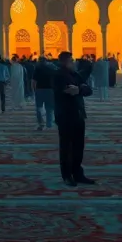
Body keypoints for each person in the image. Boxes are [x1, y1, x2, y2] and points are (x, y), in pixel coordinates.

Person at [53, 51, 94, 188]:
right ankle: (67, 175)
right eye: (71, 60)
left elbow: (88, 90)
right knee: (66, 147)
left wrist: (79, 89)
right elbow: (67, 91)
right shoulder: (58, 75)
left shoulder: (75, 74)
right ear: (65, 62)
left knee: (78, 146)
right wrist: (78, 89)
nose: (74, 63)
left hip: (78, 114)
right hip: (65, 116)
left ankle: (77, 173)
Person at [31, 56, 55, 130]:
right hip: (50, 90)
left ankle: (41, 123)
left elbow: (34, 81)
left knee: (39, 108)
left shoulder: (37, 69)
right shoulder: (51, 69)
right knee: (49, 108)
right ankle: (49, 124)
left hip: (40, 90)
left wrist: (34, 90)